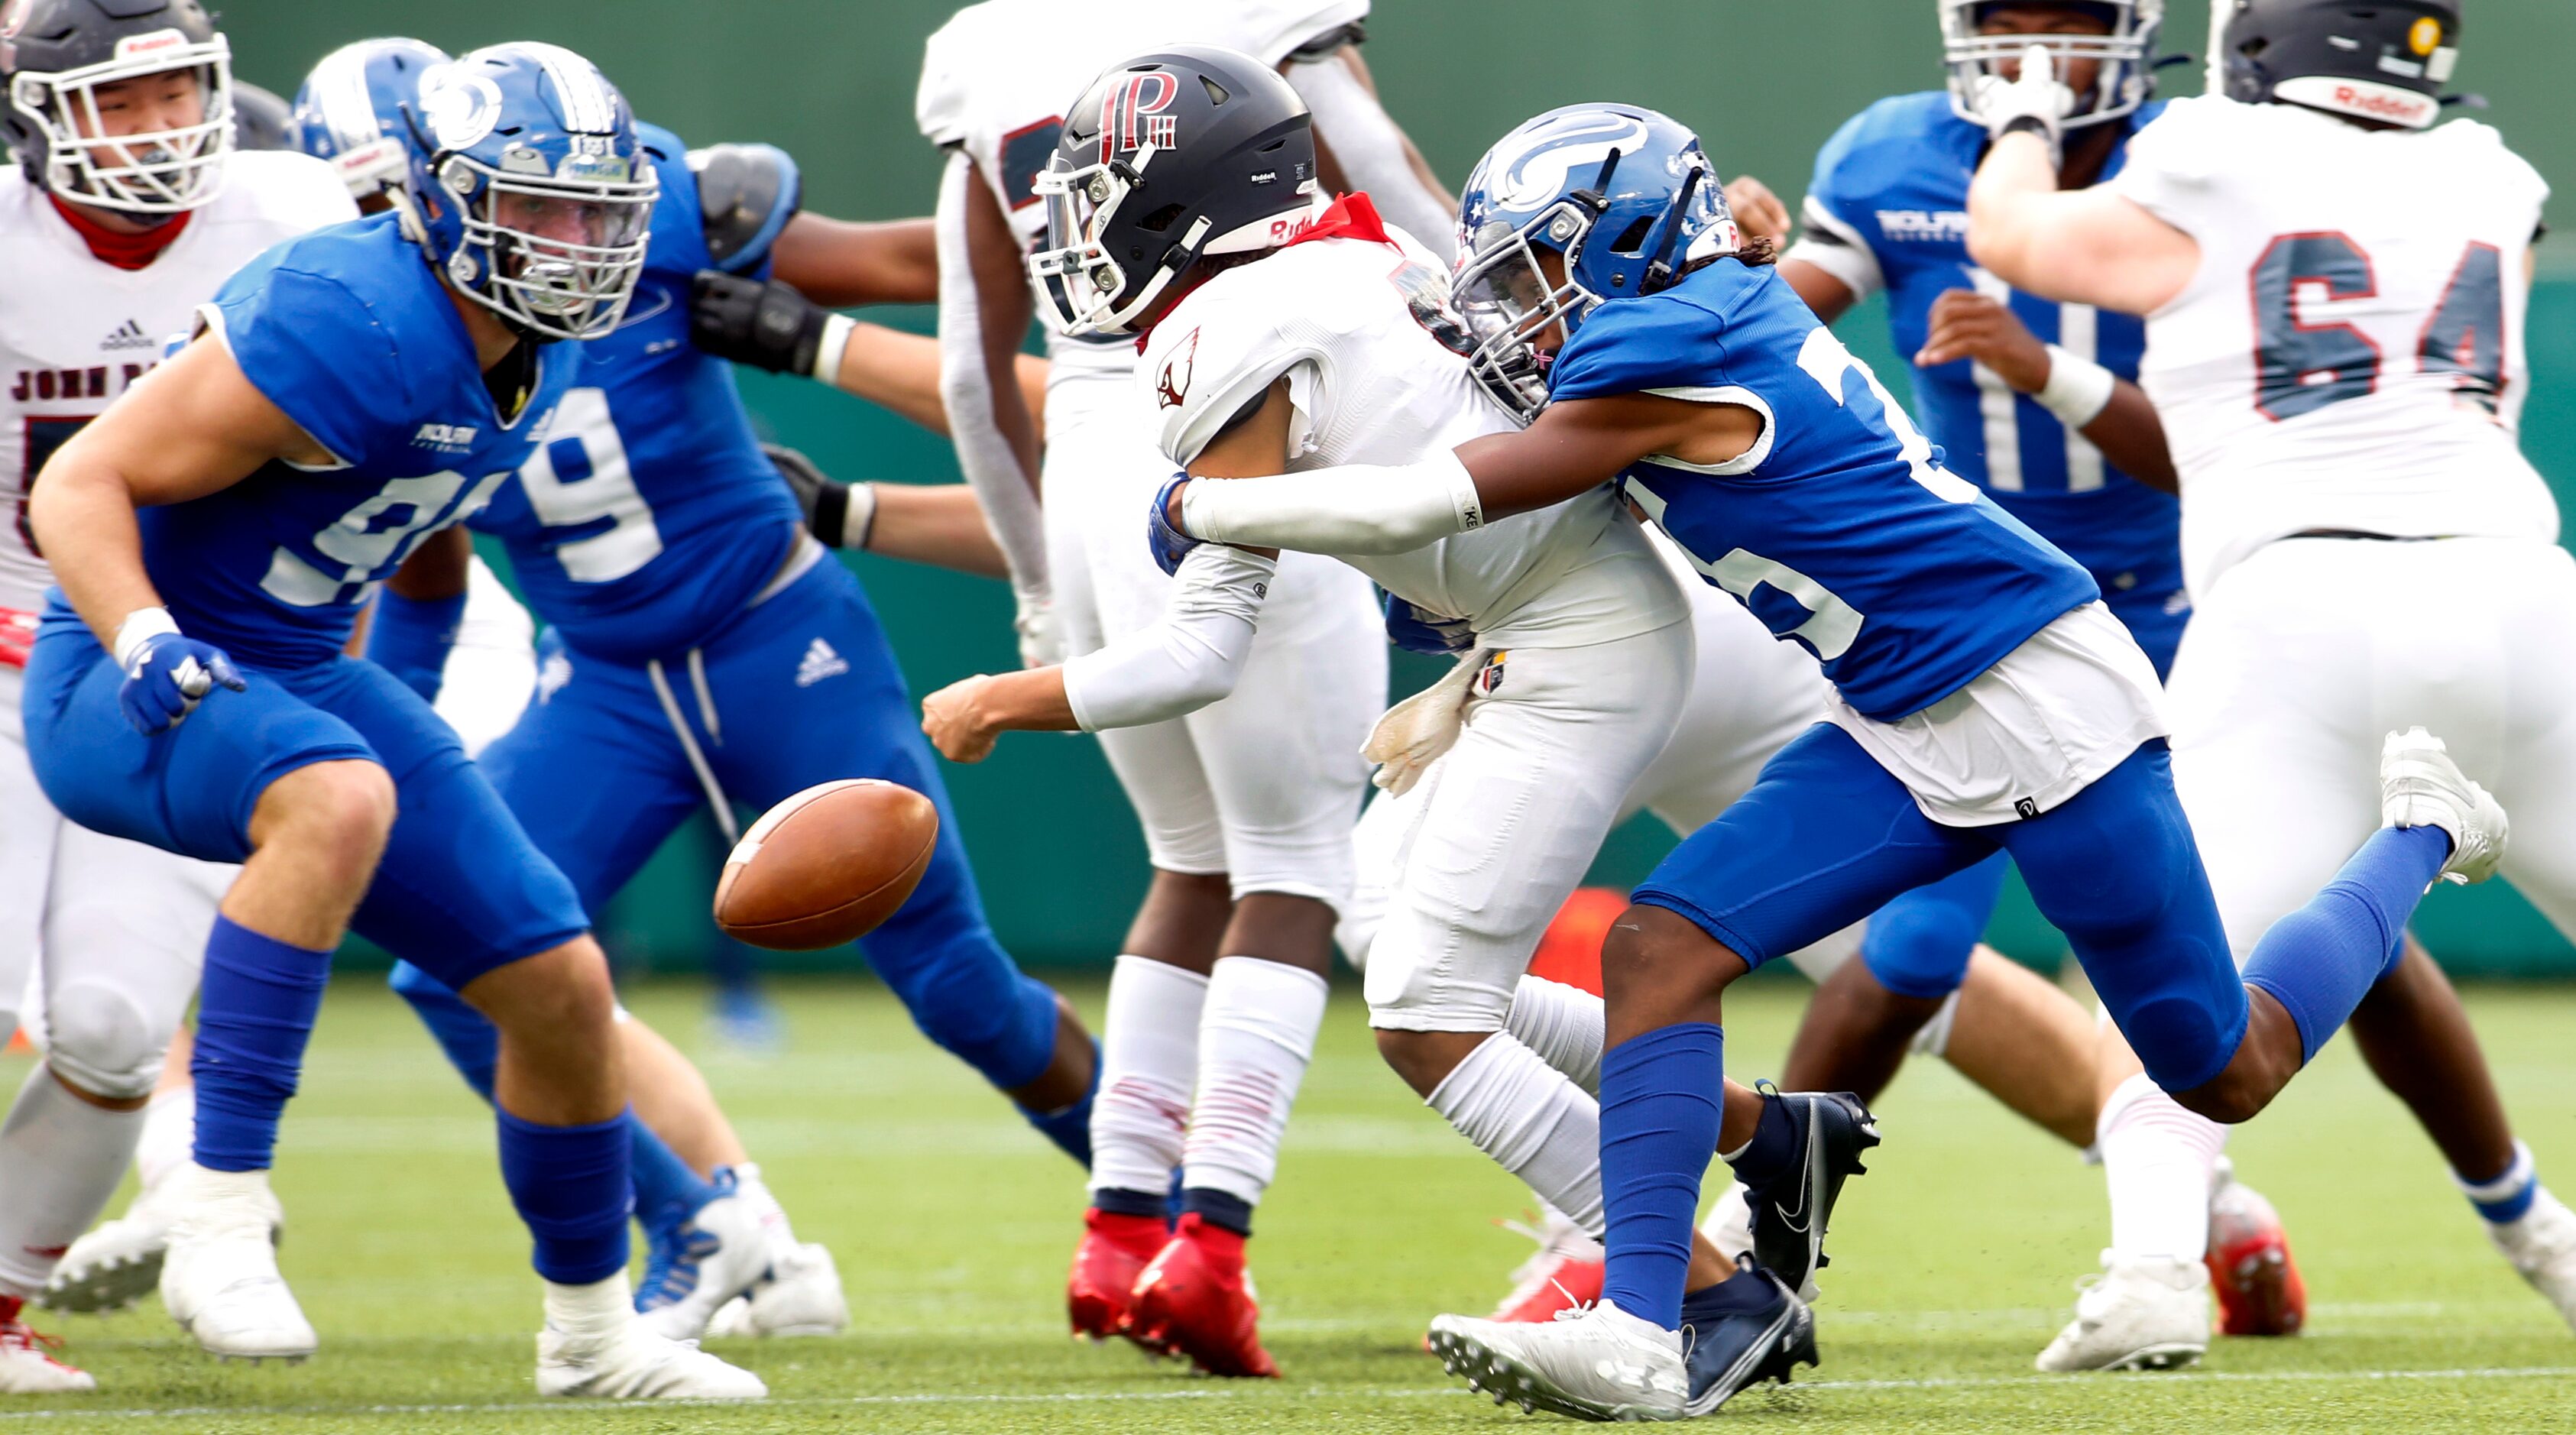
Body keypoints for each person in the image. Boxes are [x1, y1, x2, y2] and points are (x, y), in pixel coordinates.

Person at [1158, 99, 2508, 1419]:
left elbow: (1432, 493)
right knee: (1658, 949)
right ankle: (1650, 1324)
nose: (1522, 298)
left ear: (1627, 247)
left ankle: (2420, 834)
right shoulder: (1694, 303)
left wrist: (1206, 505)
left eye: (1543, 262)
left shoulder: (1660, 355)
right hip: (1898, 714)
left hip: (2039, 697)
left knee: (2228, 1066)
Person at [919, 47, 1868, 1404]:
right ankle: (1770, 1137)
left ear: (1190, 197)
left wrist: (1006, 700)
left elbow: (1196, 652)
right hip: (1541, 638)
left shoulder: (1227, 327)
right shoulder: (1347, 268)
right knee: (1402, 944)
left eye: (1104, 194)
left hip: (1574, 653)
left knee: (1425, 1013)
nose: (1077, 226)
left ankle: (1701, 1296)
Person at [282, 35, 1104, 1344]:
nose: (545, 234)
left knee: (956, 985)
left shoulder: (653, 214)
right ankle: (707, 1228)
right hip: (603, 683)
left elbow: (922, 270)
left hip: (776, 637)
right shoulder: (359, 329)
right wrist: (381, 744)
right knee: (455, 968)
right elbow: (424, 566)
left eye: (549, 196)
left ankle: (1164, 1215)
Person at [20, 40, 763, 1400]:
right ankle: (218, 1210)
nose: (575, 242)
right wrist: (142, 635)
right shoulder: (346, 311)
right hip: (120, 674)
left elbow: (422, 550)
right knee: (335, 796)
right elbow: (79, 480)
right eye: (533, 208)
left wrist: (400, 729)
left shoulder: (521, 337)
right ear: (436, 199)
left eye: (593, 210)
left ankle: (592, 1335)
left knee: (560, 981)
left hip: (301, 661)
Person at [758, 1, 1447, 1376]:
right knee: (1294, 869)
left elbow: (969, 371)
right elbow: (1417, 214)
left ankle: (1120, 1226)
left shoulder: (986, 46)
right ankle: (1213, 1245)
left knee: (1189, 862)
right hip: (1242, 411)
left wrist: (1034, 579)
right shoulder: (1252, 14)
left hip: (1083, 459)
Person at [1964, 0, 2576, 1340]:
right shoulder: (2492, 175)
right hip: (2522, 595)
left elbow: (2013, 239)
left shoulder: (2210, 149)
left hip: (2300, 599)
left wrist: (2020, 113)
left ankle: (2153, 1274)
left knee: (2170, 980)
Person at [1722, 0, 2308, 1368]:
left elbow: (2217, 454)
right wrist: (1728, 264)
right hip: (1982, 624)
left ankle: (2497, 1207)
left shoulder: (2201, 163)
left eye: (2066, 14)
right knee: (1911, 955)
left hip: (2179, 614)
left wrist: (2041, 367)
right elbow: (1773, 334)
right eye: (2009, 14)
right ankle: (1762, 1269)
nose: (2033, 39)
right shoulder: (1890, 155)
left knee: (2250, 952)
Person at [0, 0, 355, 1392]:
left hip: (182, 659)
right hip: (12, 631)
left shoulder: (285, 211)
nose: (157, 131)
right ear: (35, 119)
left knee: (111, 1022)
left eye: (174, 94)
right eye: (117, 102)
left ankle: (5, 1305)